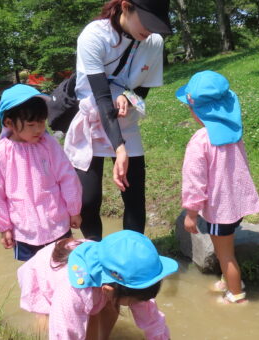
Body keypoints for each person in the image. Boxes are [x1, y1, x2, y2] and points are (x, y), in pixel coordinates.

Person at [64, 0, 172, 241]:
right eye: (146, 22)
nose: (150, 30)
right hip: (91, 119)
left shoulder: (153, 42)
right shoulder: (94, 36)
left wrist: (127, 96)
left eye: (156, 25)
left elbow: (143, 88)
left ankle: (133, 259)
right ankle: (96, 255)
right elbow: (102, 98)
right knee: (88, 200)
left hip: (126, 121)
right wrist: (118, 148)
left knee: (134, 197)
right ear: (126, 7)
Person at [177, 71, 259, 304]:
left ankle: (236, 295)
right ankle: (228, 280)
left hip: (220, 209)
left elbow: (194, 181)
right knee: (227, 246)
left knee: (225, 254)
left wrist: (191, 213)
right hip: (235, 203)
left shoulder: (200, 140)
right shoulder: (234, 134)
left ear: (196, 111)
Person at [17, 230, 178, 339]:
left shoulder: (137, 277)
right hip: (47, 273)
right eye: (135, 301)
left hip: (94, 278)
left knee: (107, 310)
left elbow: (152, 320)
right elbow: (64, 334)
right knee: (51, 322)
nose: (139, 304)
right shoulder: (70, 293)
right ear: (107, 290)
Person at [0, 84, 83, 261]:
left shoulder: (48, 144)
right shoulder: (0, 153)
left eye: (42, 122)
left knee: (63, 269)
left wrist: (74, 209)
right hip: (24, 230)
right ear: (9, 123)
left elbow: (67, 176)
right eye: (31, 124)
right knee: (32, 275)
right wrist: (4, 227)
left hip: (57, 224)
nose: (38, 129)